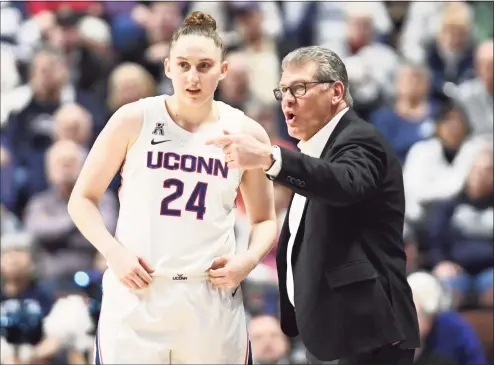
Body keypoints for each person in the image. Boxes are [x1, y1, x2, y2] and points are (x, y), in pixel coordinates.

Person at [68, 11, 277, 364]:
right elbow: (81, 200)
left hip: (210, 297)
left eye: (204, 66)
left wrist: (247, 261)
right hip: (139, 293)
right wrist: (114, 254)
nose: (192, 77)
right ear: (167, 67)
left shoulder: (246, 131)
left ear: (222, 70)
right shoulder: (134, 119)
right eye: (183, 65)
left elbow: (264, 220)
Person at [206, 46, 420, 365]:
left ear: (336, 92)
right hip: (332, 331)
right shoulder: (317, 152)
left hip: (364, 330)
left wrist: (270, 158)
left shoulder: (360, 139)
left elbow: (345, 183)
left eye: (300, 88)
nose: (288, 100)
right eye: (284, 91)